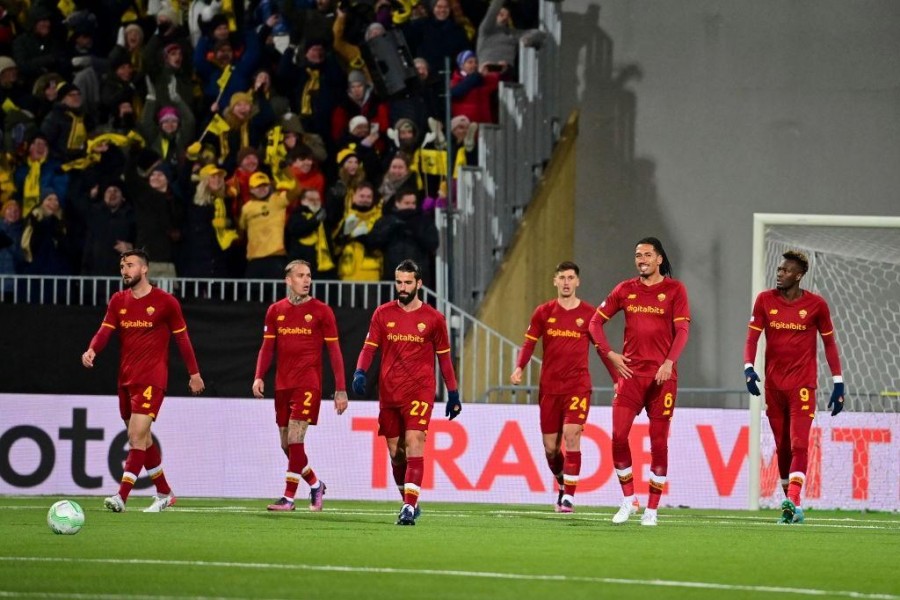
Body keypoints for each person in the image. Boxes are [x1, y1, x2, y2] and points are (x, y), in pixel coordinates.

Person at [81, 249, 205, 513]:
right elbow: (105, 331)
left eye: (130, 265)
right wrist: (92, 349)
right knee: (143, 439)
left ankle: (121, 497)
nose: (124, 270)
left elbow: (182, 339)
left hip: (152, 378)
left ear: (145, 269)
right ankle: (165, 492)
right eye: (122, 266)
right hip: (126, 378)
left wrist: (194, 374)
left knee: (136, 437)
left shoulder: (165, 302)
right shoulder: (118, 300)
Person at [588, 237, 691, 527]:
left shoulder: (675, 290)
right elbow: (594, 323)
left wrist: (669, 363)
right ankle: (628, 500)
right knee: (618, 437)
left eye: (647, 254)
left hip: (662, 379)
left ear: (659, 259)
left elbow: (682, 330)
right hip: (630, 377)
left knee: (659, 444)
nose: (641, 259)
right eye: (638, 255)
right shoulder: (625, 289)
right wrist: (610, 355)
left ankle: (652, 510)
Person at [352, 258, 462, 525]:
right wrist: (360, 371)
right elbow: (369, 347)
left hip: (419, 391)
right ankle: (409, 499)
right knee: (395, 451)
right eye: (399, 282)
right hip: (389, 392)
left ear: (419, 284)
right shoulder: (382, 313)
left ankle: (409, 508)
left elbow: (445, 359)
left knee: (414, 442)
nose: (402, 287)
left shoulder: (434, 319)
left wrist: (454, 393)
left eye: (408, 282)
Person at [743, 249, 845, 524]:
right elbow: (752, 339)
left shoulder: (817, 305)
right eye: (779, 270)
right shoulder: (764, 300)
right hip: (774, 388)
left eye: (786, 271)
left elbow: (830, 344)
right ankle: (792, 507)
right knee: (782, 447)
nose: (780, 274)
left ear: (799, 276)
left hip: (802, 386)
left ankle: (794, 500)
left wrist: (838, 382)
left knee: (799, 443)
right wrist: (749, 367)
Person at [253, 259, 349, 512]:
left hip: (308, 384)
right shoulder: (275, 311)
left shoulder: (321, 311)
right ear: (288, 280)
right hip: (283, 384)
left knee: (296, 439)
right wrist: (259, 375)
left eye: (309, 275)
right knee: (286, 445)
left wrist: (340, 389)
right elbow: (267, 347)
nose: (306, 280)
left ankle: (288, 497)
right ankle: (316, 485)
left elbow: (335, 352)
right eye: (300, 275)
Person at [510, 261, 605, 513]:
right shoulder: (543, 312)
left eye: (570, 277)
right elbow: (529, 343)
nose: (566, 282)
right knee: (551, 448)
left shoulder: (589, 314)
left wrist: (617, 378)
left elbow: (602, 350)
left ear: (577, 281)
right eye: (561, 277)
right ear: (555, 281)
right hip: (550, 388)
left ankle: (569, 498)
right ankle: (563, 484)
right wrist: (520, 366)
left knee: (572, 434)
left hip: (578, 385)